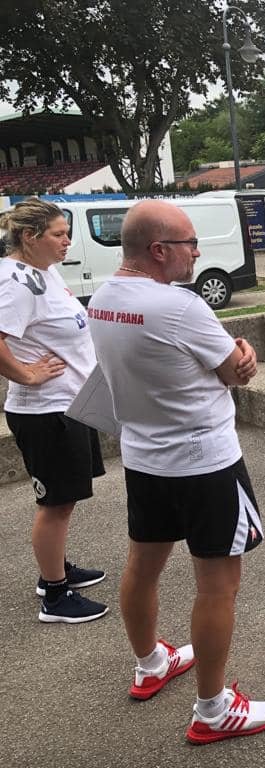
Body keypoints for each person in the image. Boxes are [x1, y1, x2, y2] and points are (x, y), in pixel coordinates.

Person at [88, 199, 265, 743]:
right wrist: (243, 351)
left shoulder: (103, 299)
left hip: (144, 458)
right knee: (218, 586)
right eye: (189, 243)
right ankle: (213, 708)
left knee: (142, 566)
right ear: (158, 250)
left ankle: (150, 663)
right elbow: (236, 371)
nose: (197, 252)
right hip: (204, 462)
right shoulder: (180, 305)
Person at [0, 197, 107, 624]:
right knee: (55, 504)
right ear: (30, 237)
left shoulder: (43, 271)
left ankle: (56, 569)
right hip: (46, 412)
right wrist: (27, 375)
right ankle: (55, 596)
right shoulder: (14, 282)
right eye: (59, 234)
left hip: (70, 403)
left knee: (66, 498)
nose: (67, 242)